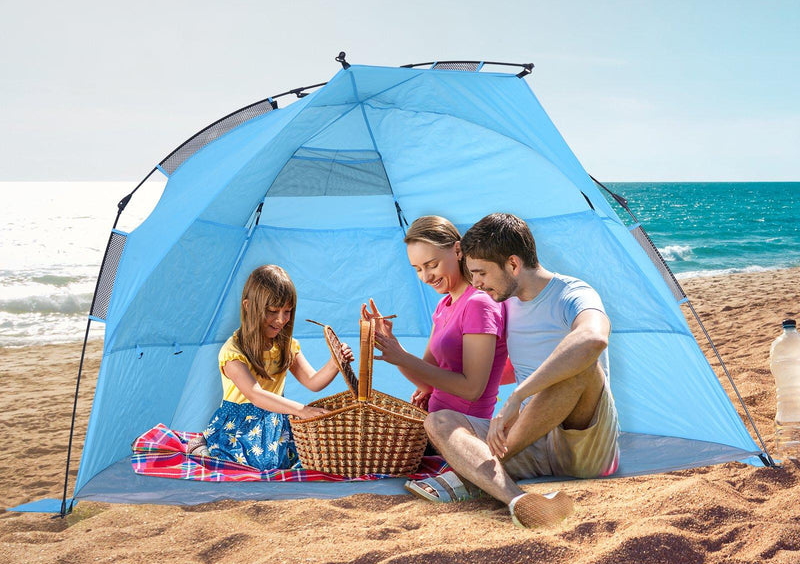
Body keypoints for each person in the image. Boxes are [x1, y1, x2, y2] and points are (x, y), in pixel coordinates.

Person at [421, 213, 620, 530]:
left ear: (513, 264)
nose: (476, 284)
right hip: (530, 439)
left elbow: (593, 338)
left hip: (581, 443)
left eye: (481, 273)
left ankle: (473, 471)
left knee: (581, 365)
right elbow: (507, 368)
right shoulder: (506, 303)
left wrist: (518, 396)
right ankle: (518, 499)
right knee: (438, 420)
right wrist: (438, 386)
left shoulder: (572, 293)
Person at [362, 215, 507, 501]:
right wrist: (392, 345)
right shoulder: (444, 305)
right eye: (417, 269)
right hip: (435, 423)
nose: (426, 277)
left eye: (431, 265)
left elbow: (472, 388)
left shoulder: (478, 304)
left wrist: (401, 356)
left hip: (463, 430)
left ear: (457, 250)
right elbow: (426, 381)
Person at [198, 264, 353, 470]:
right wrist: (302, 410)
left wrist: (335, 363)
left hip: (275, 422)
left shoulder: (286, 345)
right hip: (239, 423)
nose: (281, 320)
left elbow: (313, 382)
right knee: (259, 463)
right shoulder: (233, 352)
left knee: (308, 457)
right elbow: (256, 395)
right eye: (272, 311)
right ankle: (199, 447)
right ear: (248, 305)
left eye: (287, 311)